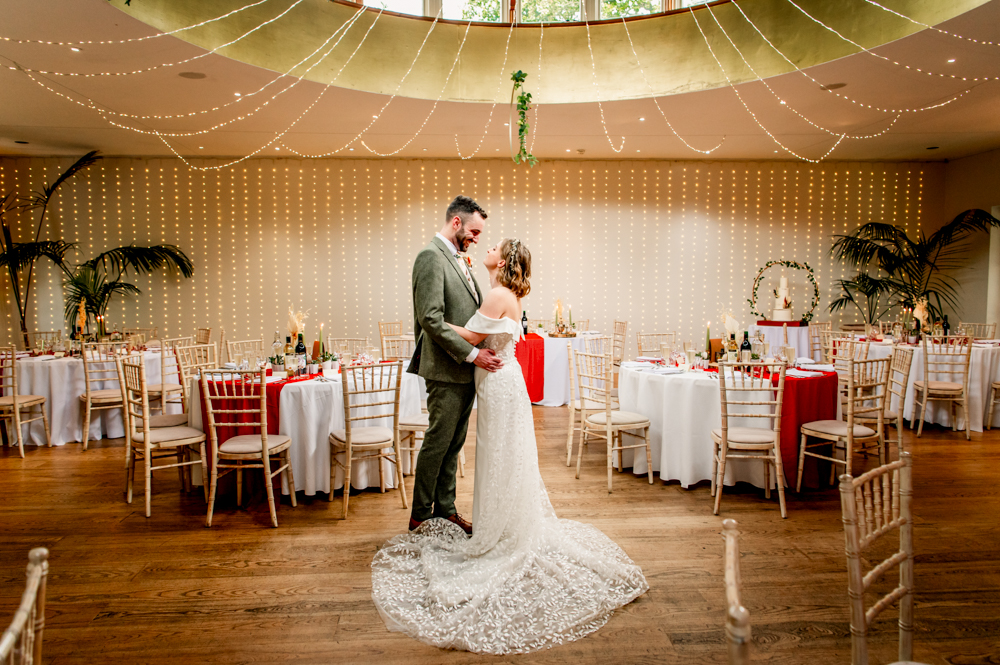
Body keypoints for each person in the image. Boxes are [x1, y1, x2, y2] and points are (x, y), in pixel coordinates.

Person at [373, 237, 648, 655]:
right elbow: (479, 334)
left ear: (503, 261)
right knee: (501, 457)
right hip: (500, 382)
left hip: (498, 384)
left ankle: (499, 532)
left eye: (494, 248)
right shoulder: (502, 292)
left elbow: (467, 332)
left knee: (498, 457)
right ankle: (499, 522)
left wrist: (431, 323)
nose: (486, 248)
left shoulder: (499, 294)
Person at [406, 196, 503, 536]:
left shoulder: (457, 258)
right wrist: (474, 354)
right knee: (438, 442)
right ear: (457, 222)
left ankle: (445, 510)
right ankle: (420, 518)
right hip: (446, 369)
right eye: (474, 231)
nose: (477, 238)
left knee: (454, 444)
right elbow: (430, 319)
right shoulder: (430, 257)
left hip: (463, 371)